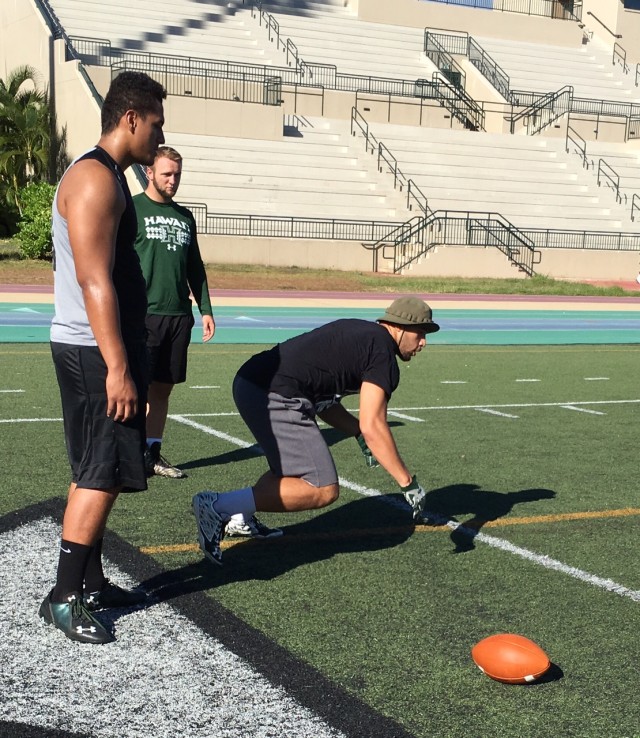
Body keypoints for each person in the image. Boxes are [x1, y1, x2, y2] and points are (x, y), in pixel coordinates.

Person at [39, 71, 166, 644]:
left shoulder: (109, 176)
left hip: (99, 347)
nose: (160, 136)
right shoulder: (95, 180)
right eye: (157, 123)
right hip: (94, 351)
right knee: (98, 471)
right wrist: (117, 365)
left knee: (101, 470)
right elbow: (94, 282)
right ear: (131, 118)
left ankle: (88, 581)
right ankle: (64, 596)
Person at [192, 296, 440, 566]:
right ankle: (217, 507)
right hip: (274, 392)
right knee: (322, 487)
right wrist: (407, 483)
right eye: (421, 333)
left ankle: (239, 515)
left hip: (253, 382)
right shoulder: (381, 352)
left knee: (289, 472)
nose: (424, 343)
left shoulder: (363, 335)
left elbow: (324, 403)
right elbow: (374, 424)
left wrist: (356, 432)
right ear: (401, 327)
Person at [133, 146, 215, 479]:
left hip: (178, 315)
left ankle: (152, 453)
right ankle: (129, 453)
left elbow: (194, 266)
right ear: (149, 172)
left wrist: (206, 308)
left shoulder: (185, 216)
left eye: (177, 174)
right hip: (143, 315)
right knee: (137, 388)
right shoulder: (132, 209)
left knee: (163, 388)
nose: (173, 180)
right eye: (166, 173)